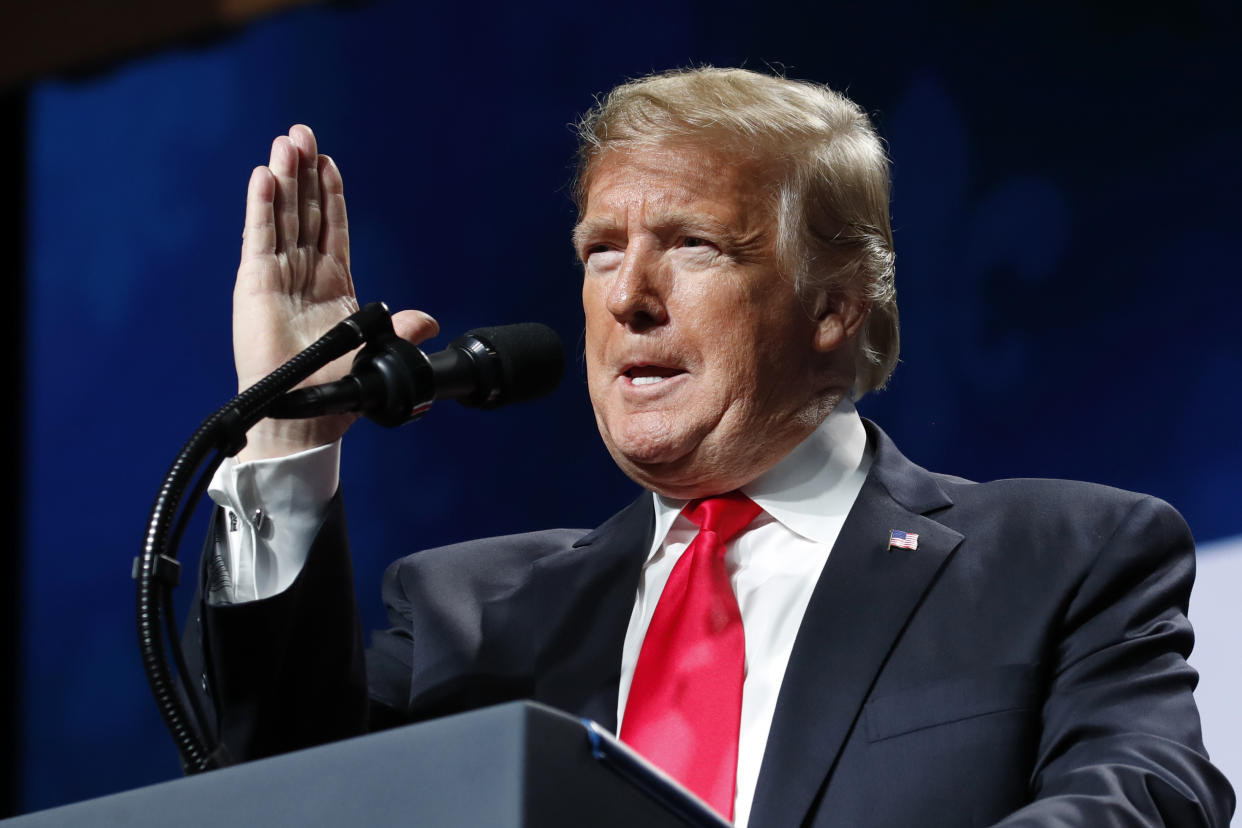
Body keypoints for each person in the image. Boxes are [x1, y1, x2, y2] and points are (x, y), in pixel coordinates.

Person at [187, 68, 1234, 826]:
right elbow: (278, 804)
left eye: (690, 244)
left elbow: (1146, 801)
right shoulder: (468, 615)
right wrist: (287, 427)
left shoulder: (1062, 558)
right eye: (601, 251)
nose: (629, 298)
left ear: (834, 304)